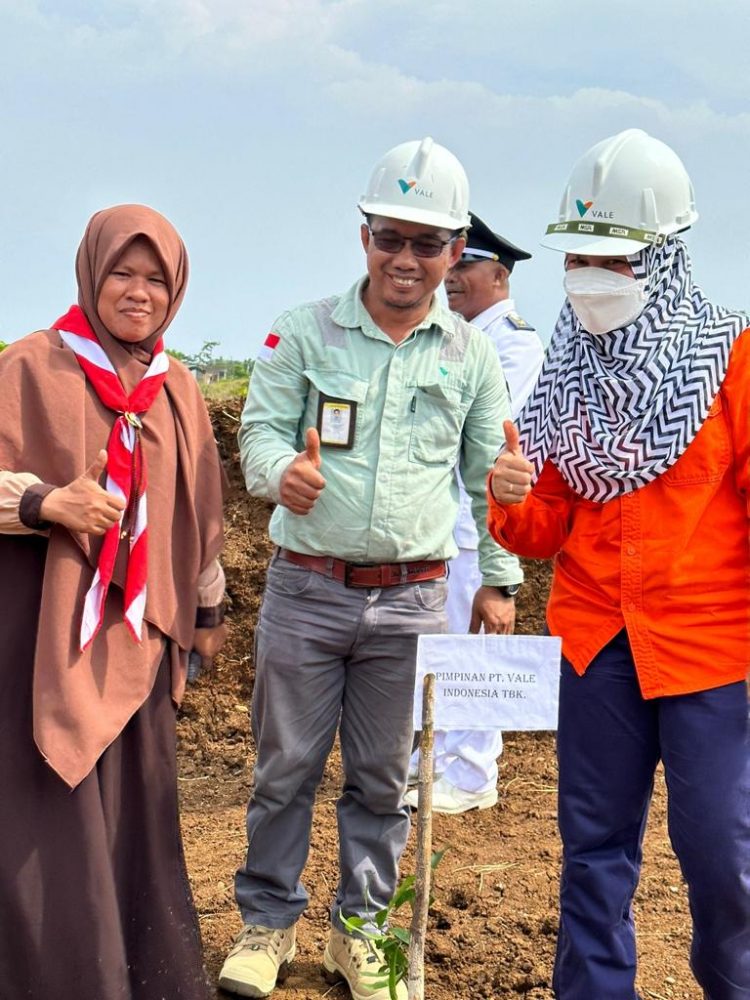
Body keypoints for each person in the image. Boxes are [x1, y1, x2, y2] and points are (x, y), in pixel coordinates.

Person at [220, 137, 516, 1000]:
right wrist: (286, 474)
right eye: (392, 236)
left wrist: (496, 579)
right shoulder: (305, 330)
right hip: (306, 590)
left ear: (456, 252)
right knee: (285, 769)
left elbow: (486, 477)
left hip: (414, 599)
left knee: (385, 782)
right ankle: (267, 925)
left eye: (428, 244)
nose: (407, 258)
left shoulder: (470, 356)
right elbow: (259, 436)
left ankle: (362, 933)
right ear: (365, 236)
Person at [488, 129, 749, 999]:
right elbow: (542, 527)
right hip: (598, 643)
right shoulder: (565, 369)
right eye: (581, 255)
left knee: (723, 852)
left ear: (664, 257)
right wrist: (512, 491)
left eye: (615, 256)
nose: (591, 275)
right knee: (593, 851)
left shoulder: (731, 360)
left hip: (712, 651)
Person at [0, 204, 226, 1000]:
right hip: (39, 638)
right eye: (121, 274)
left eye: (155, 278)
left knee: (135, 822)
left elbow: (202, 510)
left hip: (138, 638)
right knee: (47, 822)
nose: (138, 292)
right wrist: (45, 505)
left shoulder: (177, 390)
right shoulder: (33, 365)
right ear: (91, 276)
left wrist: (205, 615)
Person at [405, 211, 544, 814]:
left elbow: (479, 430)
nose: (452, 276)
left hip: (480, 522)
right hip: (445, 521)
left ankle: (472, 771)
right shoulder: (456, 336)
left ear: (500, 276)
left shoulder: (511, 343)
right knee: (442, 646)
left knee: (478, 644)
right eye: (452, 263)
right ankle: (432, 758)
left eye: (465, 265)